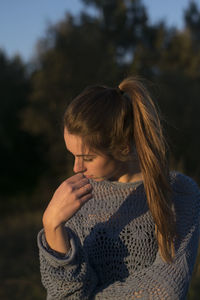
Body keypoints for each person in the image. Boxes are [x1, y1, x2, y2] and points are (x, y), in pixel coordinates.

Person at [37, 77, 200, 299]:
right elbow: (62, 295)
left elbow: (166, 290)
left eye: (88, 157)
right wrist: (52, 224)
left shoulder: (178, 192)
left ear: (124, 147)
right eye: (72, 155)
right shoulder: (76, 198)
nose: (76, 168)